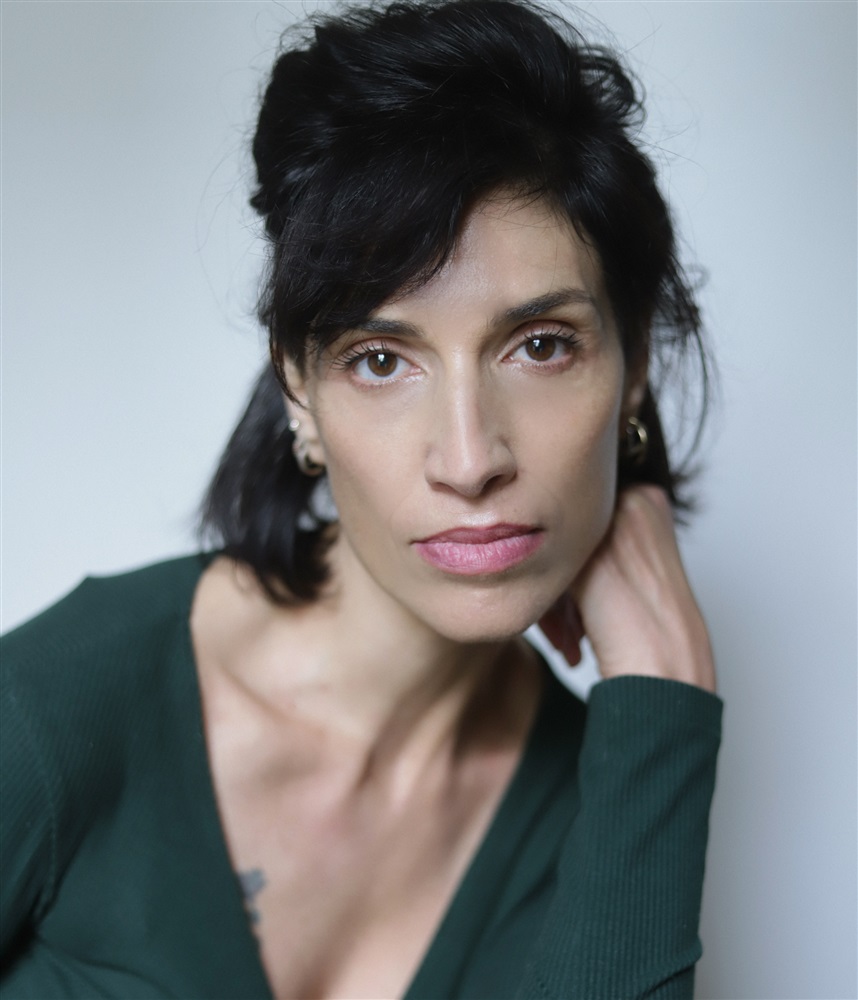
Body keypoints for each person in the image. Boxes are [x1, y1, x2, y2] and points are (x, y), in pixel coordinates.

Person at [0, 1, 721, 997]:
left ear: (633, 364)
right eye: (382, 359)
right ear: (298, 388)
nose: (468, 459)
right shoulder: (54, 710)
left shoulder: (606, 795)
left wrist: (665, 698)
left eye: (540, 345)